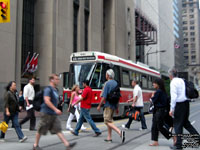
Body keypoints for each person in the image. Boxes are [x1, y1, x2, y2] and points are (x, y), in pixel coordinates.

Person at [33, 74, 76, 150]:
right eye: (56, 79)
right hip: (46, 113)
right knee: (41, 129)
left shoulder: (55, 90)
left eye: (58, 79)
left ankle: (67, 145)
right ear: (52, 80)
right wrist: (56, 109)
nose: (58, 80)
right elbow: (47, 101)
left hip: (52, 114)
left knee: (58, 129)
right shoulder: (48, 89)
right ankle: (35, 145)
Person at [168, 67, 200, 150]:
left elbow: (174, 97)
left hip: (179, 105)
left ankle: (178, 146)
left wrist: (171, 109)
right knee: (186, 124)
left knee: (177, 125)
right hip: (186, 104)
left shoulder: (173, 82)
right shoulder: (182, 80)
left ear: (170, 75)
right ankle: (198, 139)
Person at [97, 69, 125, 143]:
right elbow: (118, 96)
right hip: (114, 105)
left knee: (106, 121)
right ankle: (109, 137)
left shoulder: (107, 83)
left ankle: (119, 132)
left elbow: (104, 97)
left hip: (108, 105)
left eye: (106, 74)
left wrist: (99, 105)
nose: (105, 75)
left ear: (108, 75)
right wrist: (117, 107)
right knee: (110, 120)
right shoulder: (116, 83)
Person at [149, 79, 172, 146]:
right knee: (155, 127)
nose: (153, 84)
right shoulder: (163, 91)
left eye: (154, 83)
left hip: (159, 111)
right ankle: (155, 141)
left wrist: (152, 96)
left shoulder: (158, 92)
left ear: (158, 84)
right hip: (160, 111)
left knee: (159, 127)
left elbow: (152, 100)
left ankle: (172, 136)